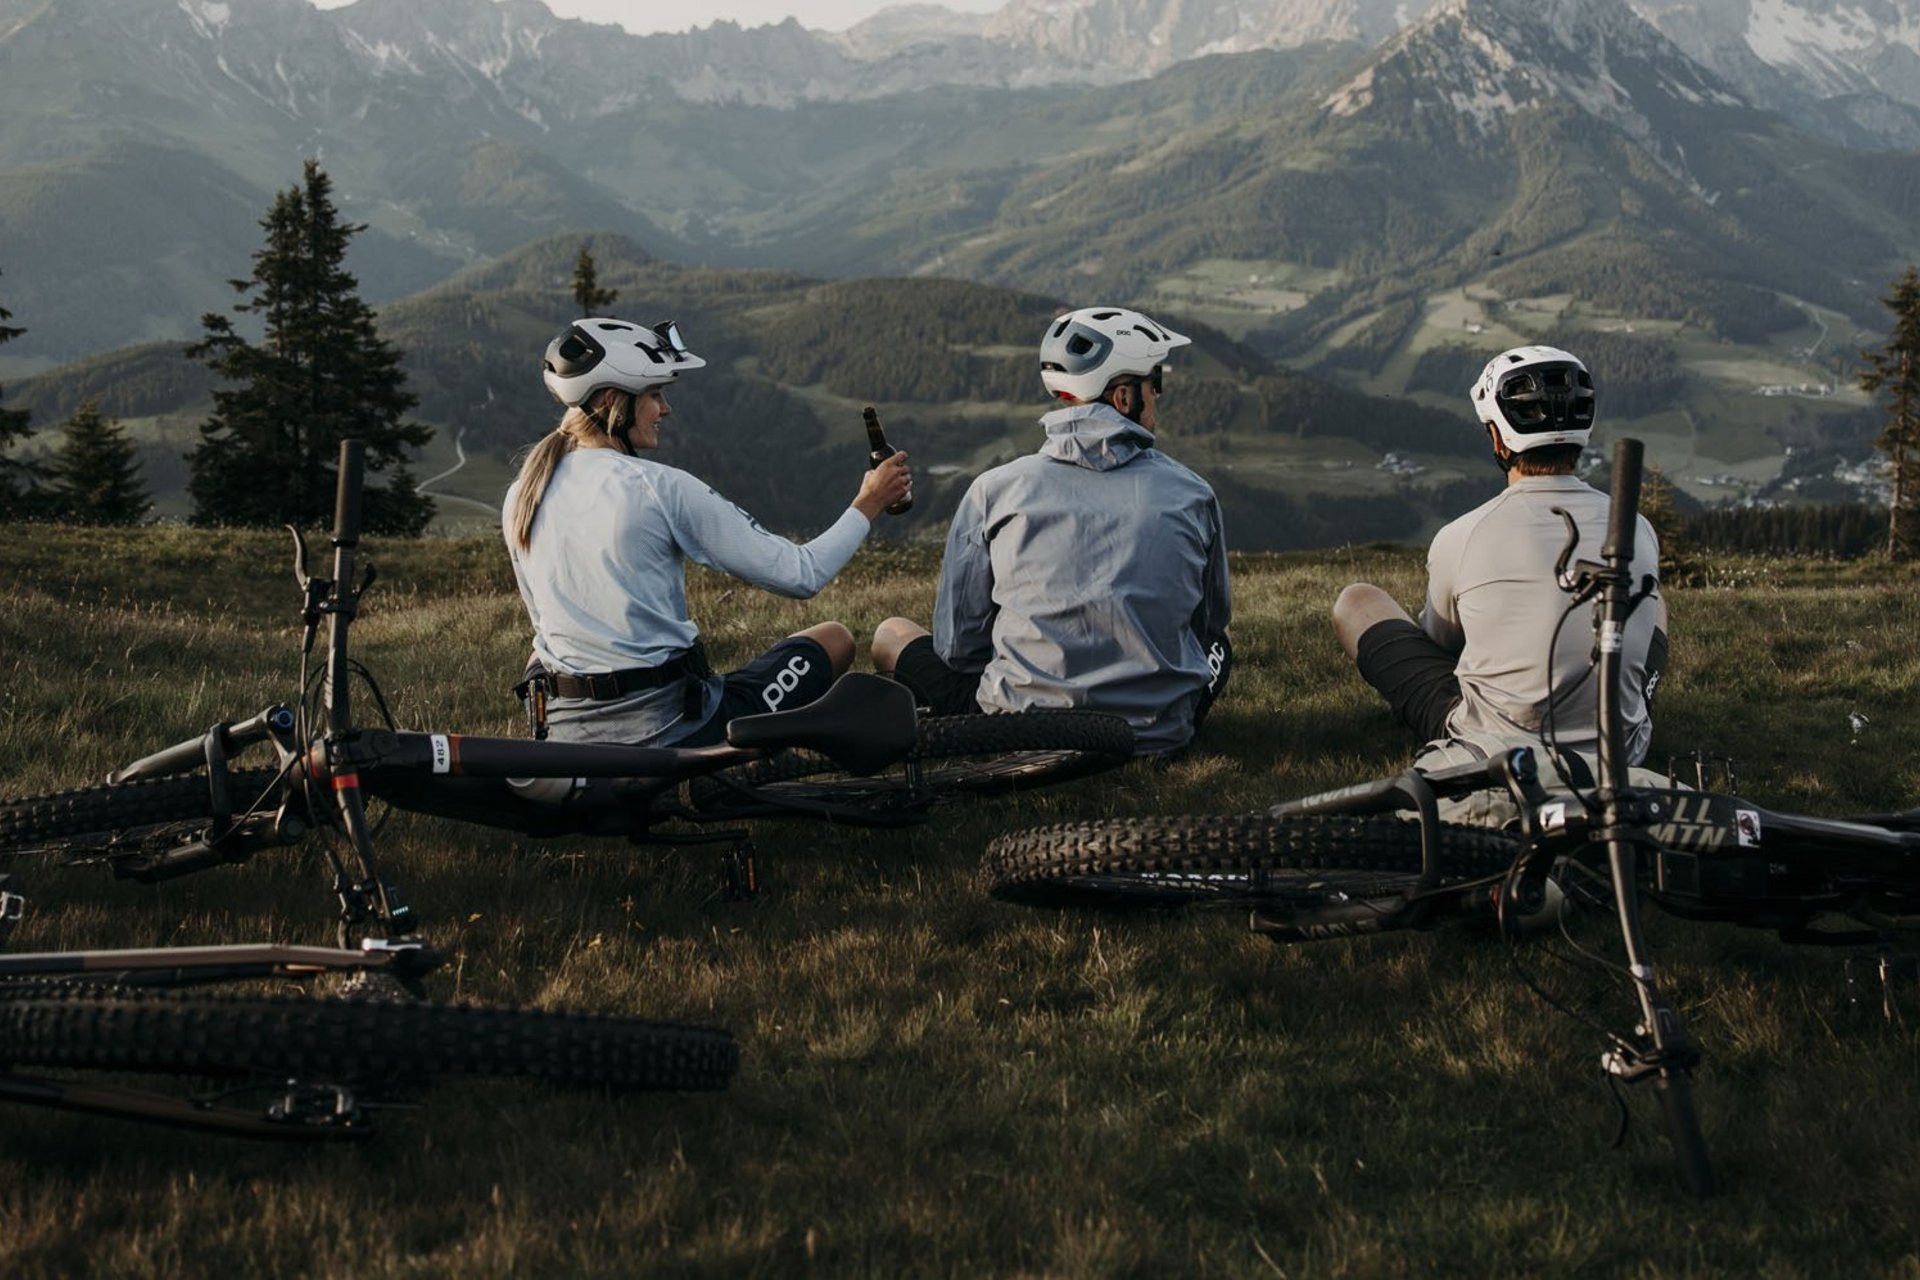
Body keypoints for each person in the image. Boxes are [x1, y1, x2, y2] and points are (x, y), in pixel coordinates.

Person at [504, 315, 911, 746]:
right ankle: (736, 762)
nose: (665, 409)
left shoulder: (523, 494)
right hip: (675, 731)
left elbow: (543, 630)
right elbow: (800, 574)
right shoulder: (658, 487)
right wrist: (870, 501)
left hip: (568, 739)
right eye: (655, 394)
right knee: (834, 639)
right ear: (611, 402)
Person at [870, 305, 1231, 756]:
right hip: (1155, 737)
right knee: (1222, 648)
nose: (1157, 395)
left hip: (1016, 733)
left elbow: (958, 650)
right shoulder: (1192, 493)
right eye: (1154, 382)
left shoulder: (994, 490)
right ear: (1123, 398)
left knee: (891, 633)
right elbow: (1210, 624)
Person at [1331, 344, 1668, 766]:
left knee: (1357, 601)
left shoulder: (1464, 534)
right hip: (1623, 749)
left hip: (1497, 751)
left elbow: (1442, 644)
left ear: (1496, 434)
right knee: (1654, 604)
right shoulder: (1635, 527)